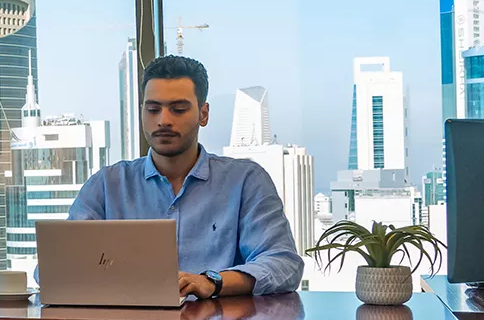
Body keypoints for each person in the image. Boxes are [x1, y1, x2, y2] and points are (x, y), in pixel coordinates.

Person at [35, 56, 304, 298]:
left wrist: (211, 281)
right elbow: (55, 268)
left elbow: (283, 264)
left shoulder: (245, 181)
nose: (163, 120)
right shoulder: (107, 185)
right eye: (153, 110)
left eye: (178, 109)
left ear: (203, 114)